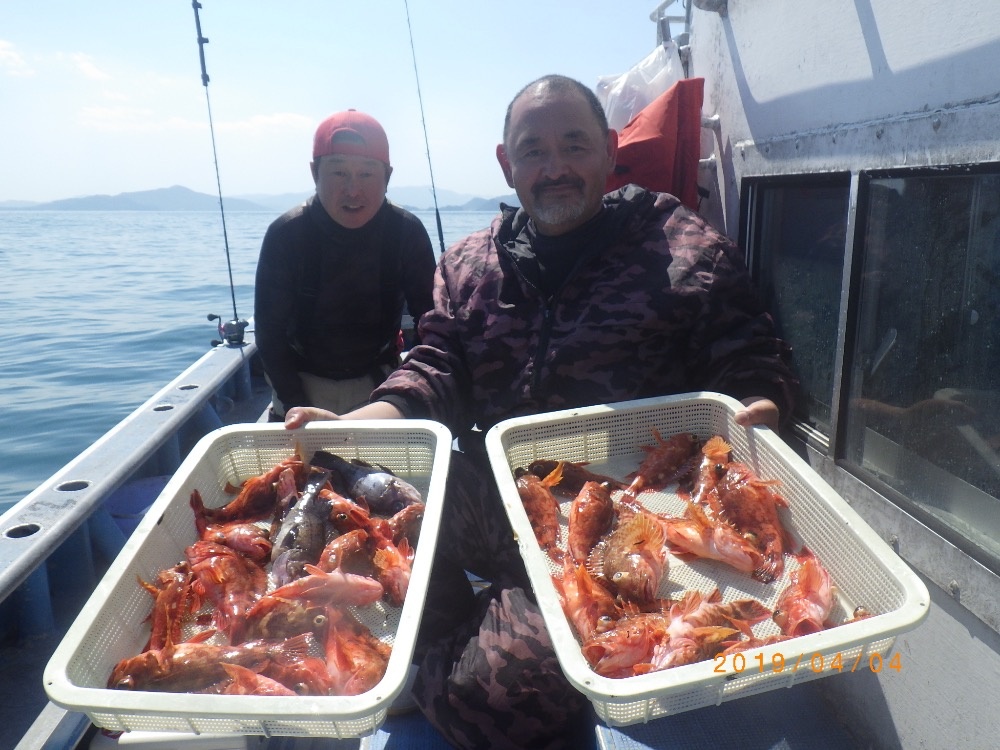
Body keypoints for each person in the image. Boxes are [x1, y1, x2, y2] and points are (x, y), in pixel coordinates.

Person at [286, 75, 797, 749]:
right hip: (495, 495)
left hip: (621, 512)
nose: (554, 167)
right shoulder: (469, 264)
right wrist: (353, 424)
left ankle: (467, 649)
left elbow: (746, 353)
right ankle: (457, 623)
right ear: (507, 164)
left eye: (574, 145)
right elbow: (435, 369)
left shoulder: (682, 246)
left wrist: (760, 401)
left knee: (483, 704)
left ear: (609, 150)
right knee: (348, 496)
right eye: (533, 151)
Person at [254, 109, 436, 420]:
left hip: (381, 383)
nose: (353, 190)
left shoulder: (406, 232)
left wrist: (406, 390)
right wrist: (295, 405)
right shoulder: (287, 234)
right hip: (300, 382)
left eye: (367, 174)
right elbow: (270, 336)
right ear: (315, 173)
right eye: (339, 173)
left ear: (387, 177)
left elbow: (430, 324)